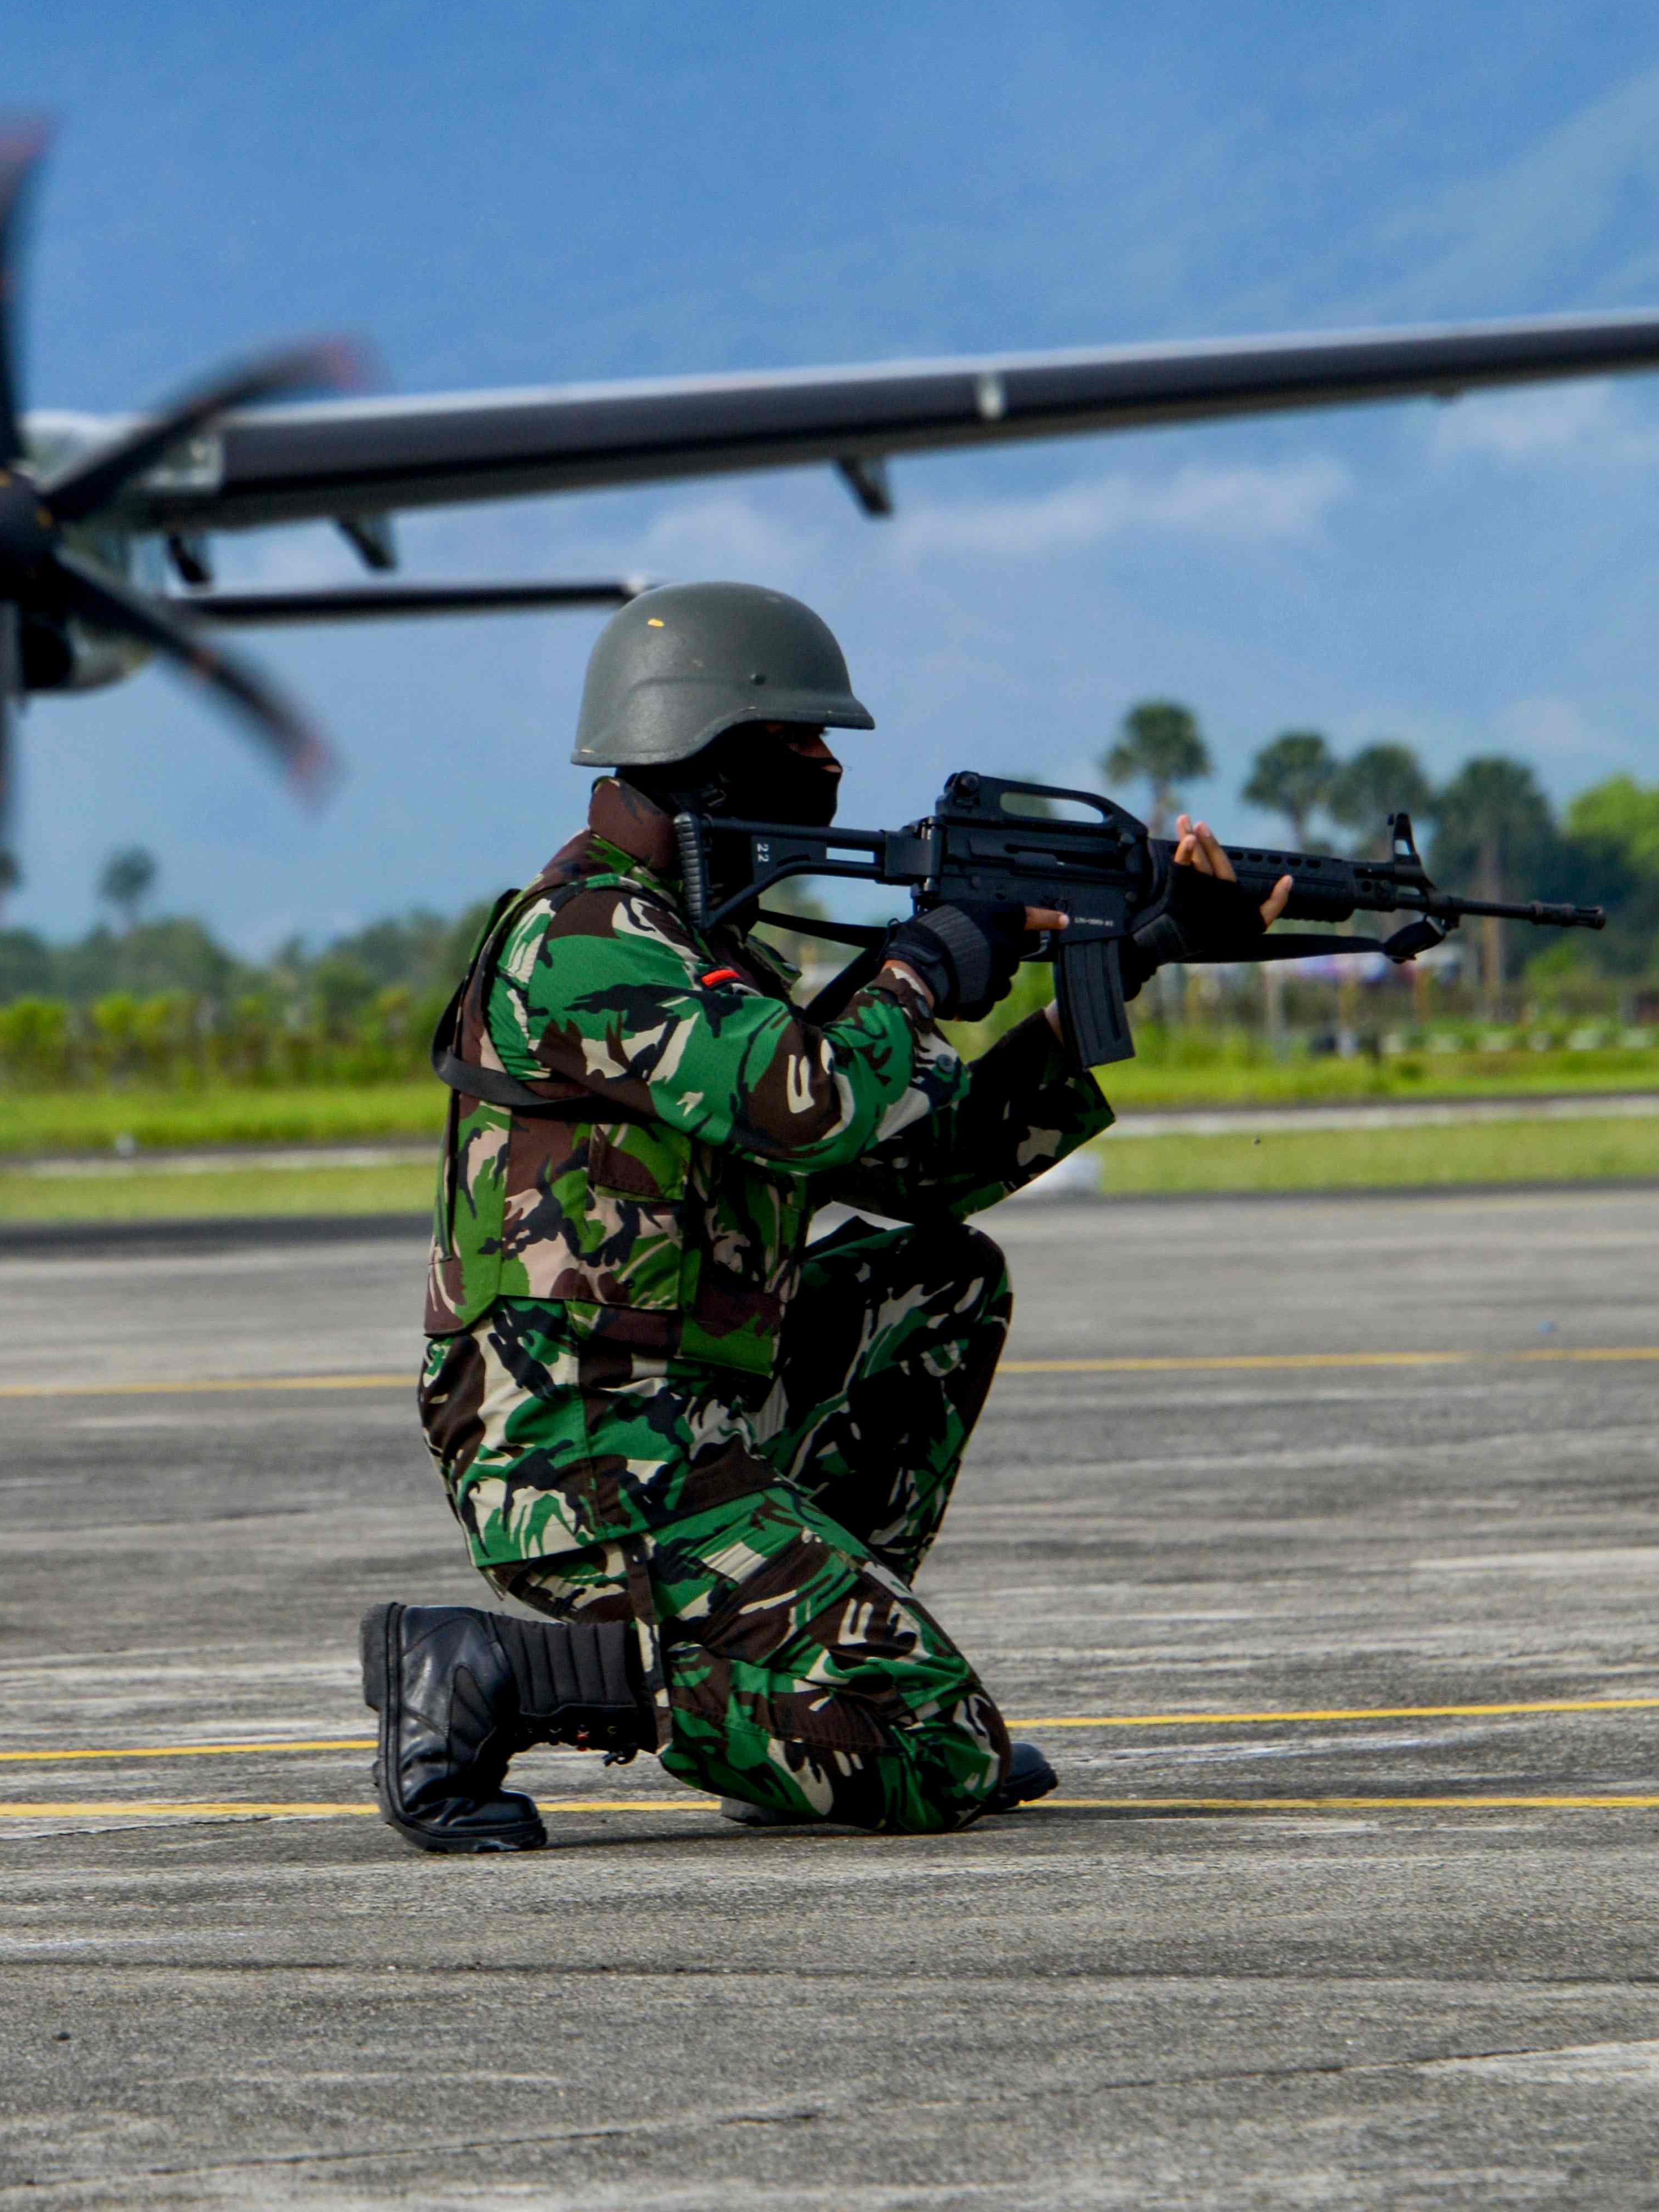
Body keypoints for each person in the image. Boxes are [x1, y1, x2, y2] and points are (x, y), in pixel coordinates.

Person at [367, 581, 1277, 1850]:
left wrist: (1126, 963)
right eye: (796, 739)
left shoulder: (697, 943)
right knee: (938, 1755)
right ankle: (502, 1670)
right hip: (580, 1450)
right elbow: (808, 1103)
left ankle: (808, 1711)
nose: (827, 766)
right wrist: (916, 969)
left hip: (687, 1417)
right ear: (701, 746)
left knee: (941, 1276)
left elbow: (926, 1169)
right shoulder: (587, 938)